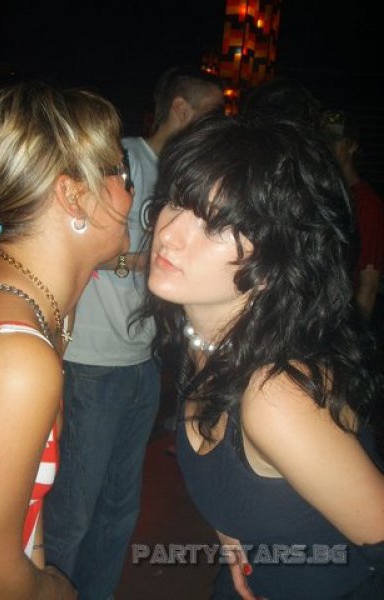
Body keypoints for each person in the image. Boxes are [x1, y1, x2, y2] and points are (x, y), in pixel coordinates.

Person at [142, 112, 384, 599]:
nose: (169, 234)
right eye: (178, 201)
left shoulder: (276, 396)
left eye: (216, 225)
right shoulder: (202, 342)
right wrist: (233, 528)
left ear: (272, 265)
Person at [0, 81, 132, 599]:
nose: (131, 193)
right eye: (121, 170)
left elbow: (20, 507)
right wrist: (57, 591)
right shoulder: (10, 356)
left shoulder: (28, 310)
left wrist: (38, 563)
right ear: (73, 194)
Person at [43, 65, 224, 599]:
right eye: (211, 112)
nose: (219, 122)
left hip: (141, 361)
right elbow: (74, 241)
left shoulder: (181, 176)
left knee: (120, 510)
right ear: (181, 110)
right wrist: (147, 261)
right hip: (92, 362)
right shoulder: (119, 160)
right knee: (73, 514)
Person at [322, 108, 384, 321]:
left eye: (334, 141)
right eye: (322, 140)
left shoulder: (367, 204)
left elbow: (368, 284)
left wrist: (357, 334)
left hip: (340, 320)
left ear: (352, 146)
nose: (327, 147)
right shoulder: (319, 192)